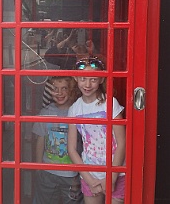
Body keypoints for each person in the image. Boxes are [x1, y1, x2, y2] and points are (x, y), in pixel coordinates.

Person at [68, 57, 125, 204]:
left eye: (93, 79)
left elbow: (122, 142)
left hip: (116, 172)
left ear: (101, 80)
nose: (87, 84)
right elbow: (71, 148)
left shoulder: (110, 103)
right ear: (75, 78)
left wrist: (111, 178)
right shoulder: (74, 109)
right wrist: (89, 179)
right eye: (83, 79)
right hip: (89, 172)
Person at [32, 76, 83, 204]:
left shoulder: (78, 111)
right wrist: (38, 167)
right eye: (55, 89)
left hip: (72, 175)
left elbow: (84, 143)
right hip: (48, 172)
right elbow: (40, 140)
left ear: (71, 90)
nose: (59, 93)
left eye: (64, 88)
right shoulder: (45, 112)